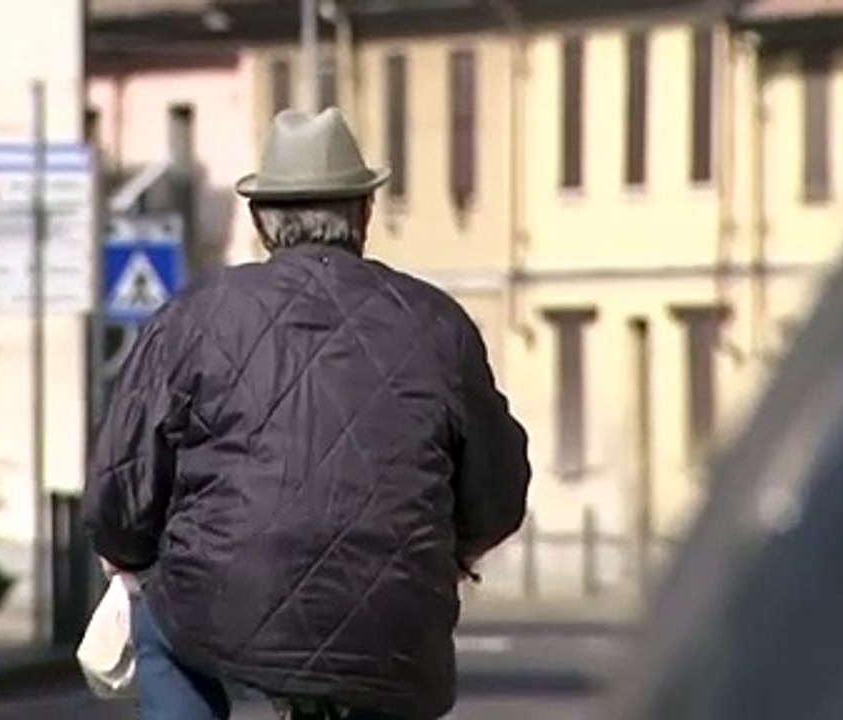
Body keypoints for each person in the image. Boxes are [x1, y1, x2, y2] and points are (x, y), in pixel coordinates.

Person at [83, 107, 531, 720]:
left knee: (161, 634)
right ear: (365, 213)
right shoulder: (436, 322)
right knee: (387, 663)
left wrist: (127, 556)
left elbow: (125, 477)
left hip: (222, 596)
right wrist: (454, 554)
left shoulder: (195, 316)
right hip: (392, 609)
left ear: (261, 220)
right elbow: (499, 490)